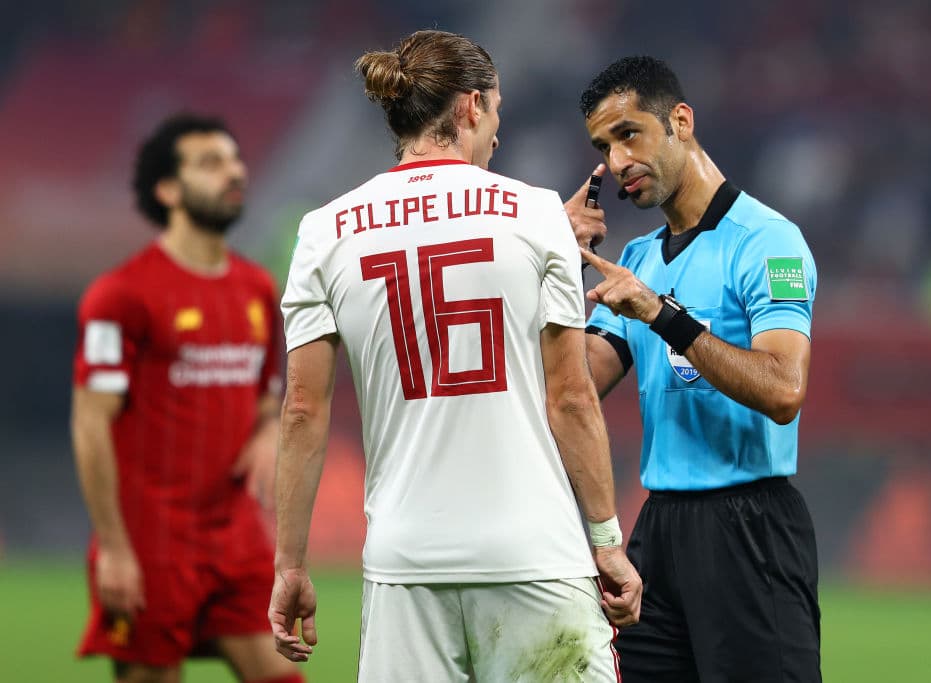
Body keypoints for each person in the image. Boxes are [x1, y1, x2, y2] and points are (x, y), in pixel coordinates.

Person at [267, 29, 642, 682]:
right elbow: (572, 397)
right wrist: (608, 542)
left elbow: (302, 409)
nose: (497, 131)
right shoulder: (535, 215)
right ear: (470, 106)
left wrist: (290, 565)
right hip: (534, 557)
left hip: (406, 569)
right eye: (495, 111)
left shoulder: (322, 231)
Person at [565, 56, 821, 682]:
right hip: (659, 531)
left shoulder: (767, 241)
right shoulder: (637, 257)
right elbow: (574, 385)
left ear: (680, 121)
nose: (618, 161)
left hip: (750, 525)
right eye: (604, 146)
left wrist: (660, 313)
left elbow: (784, 390)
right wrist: (550, 260)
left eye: (630, 134)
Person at [71, 113, 303, 683]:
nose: (234, 171)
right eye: (210, 162)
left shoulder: (255, 289)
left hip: (236, 540)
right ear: (167, 190)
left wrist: (268, 434)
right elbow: (90, 424)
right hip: (152, 544)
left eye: (234, 158)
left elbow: (268, 398)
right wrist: (116, 549)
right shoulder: (120, 295)